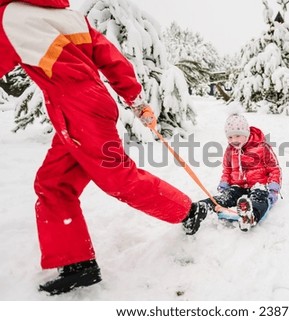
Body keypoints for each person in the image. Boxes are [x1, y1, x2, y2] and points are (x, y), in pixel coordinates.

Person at [0, 0, 207, 295]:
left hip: (78, 110)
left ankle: (188, 211)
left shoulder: (7, 16)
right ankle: (77, 263)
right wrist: (134, 98)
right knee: (54, 183)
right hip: (84, 106)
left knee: (117, 177)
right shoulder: (66, 15)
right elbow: (110, 57)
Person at [198, 110, 282, 232]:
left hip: (258, 185)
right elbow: (227, 169)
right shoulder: (230, 150)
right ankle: (201, 207)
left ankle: (250, 216)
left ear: (246, 133)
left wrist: (273, 188)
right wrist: (225, 182)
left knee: (259, 198)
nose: (233, 140)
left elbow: (274, 169)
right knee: (226, 197)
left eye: (237, 135)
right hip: (237, 185)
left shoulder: (262, 148)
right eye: (230, 137)